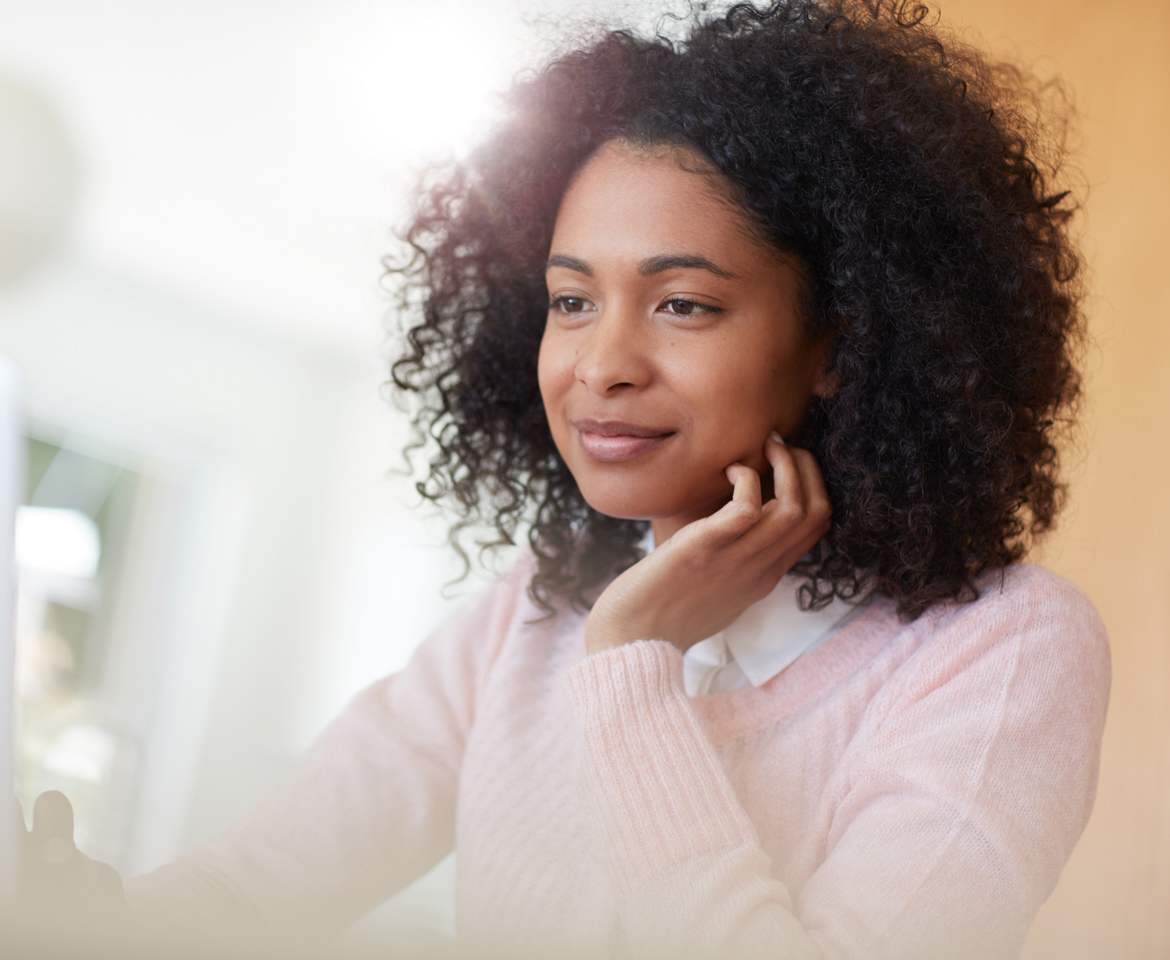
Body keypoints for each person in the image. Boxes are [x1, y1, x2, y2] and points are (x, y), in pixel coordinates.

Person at [107, 2, 1110, 957]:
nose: (601, 365)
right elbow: (259, 886)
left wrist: (633, 657)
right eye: (572, 300)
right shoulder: (537, 604)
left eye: (681, 305)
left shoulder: (1002, 645)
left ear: (840, 346)